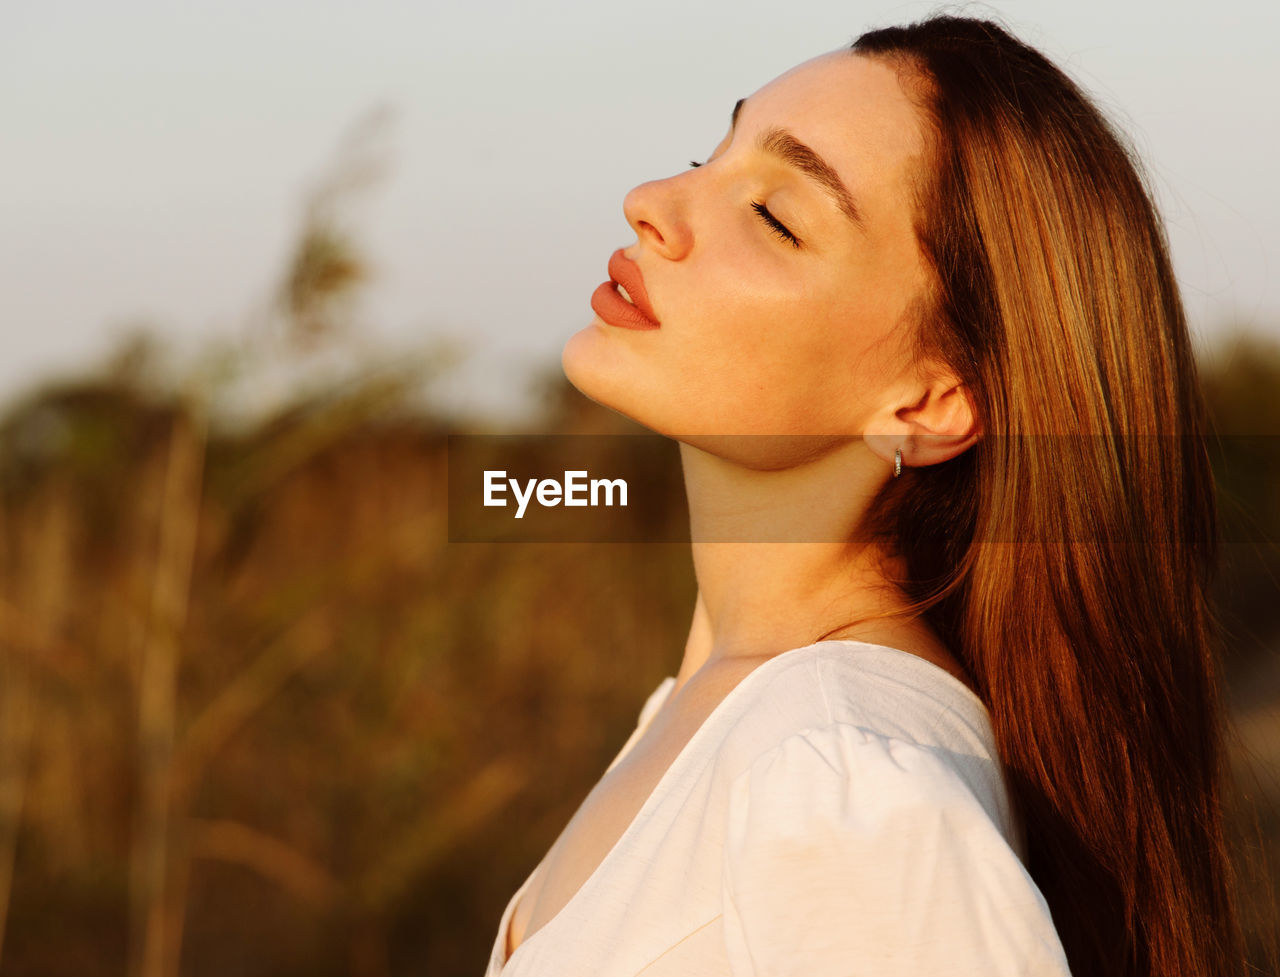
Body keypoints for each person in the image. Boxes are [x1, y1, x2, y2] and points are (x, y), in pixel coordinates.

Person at [485, 14, 1245, 977]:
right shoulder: (725, 717)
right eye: (708, 156)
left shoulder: (838, 777)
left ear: (928, 401)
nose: (651, 203)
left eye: (774, 215)